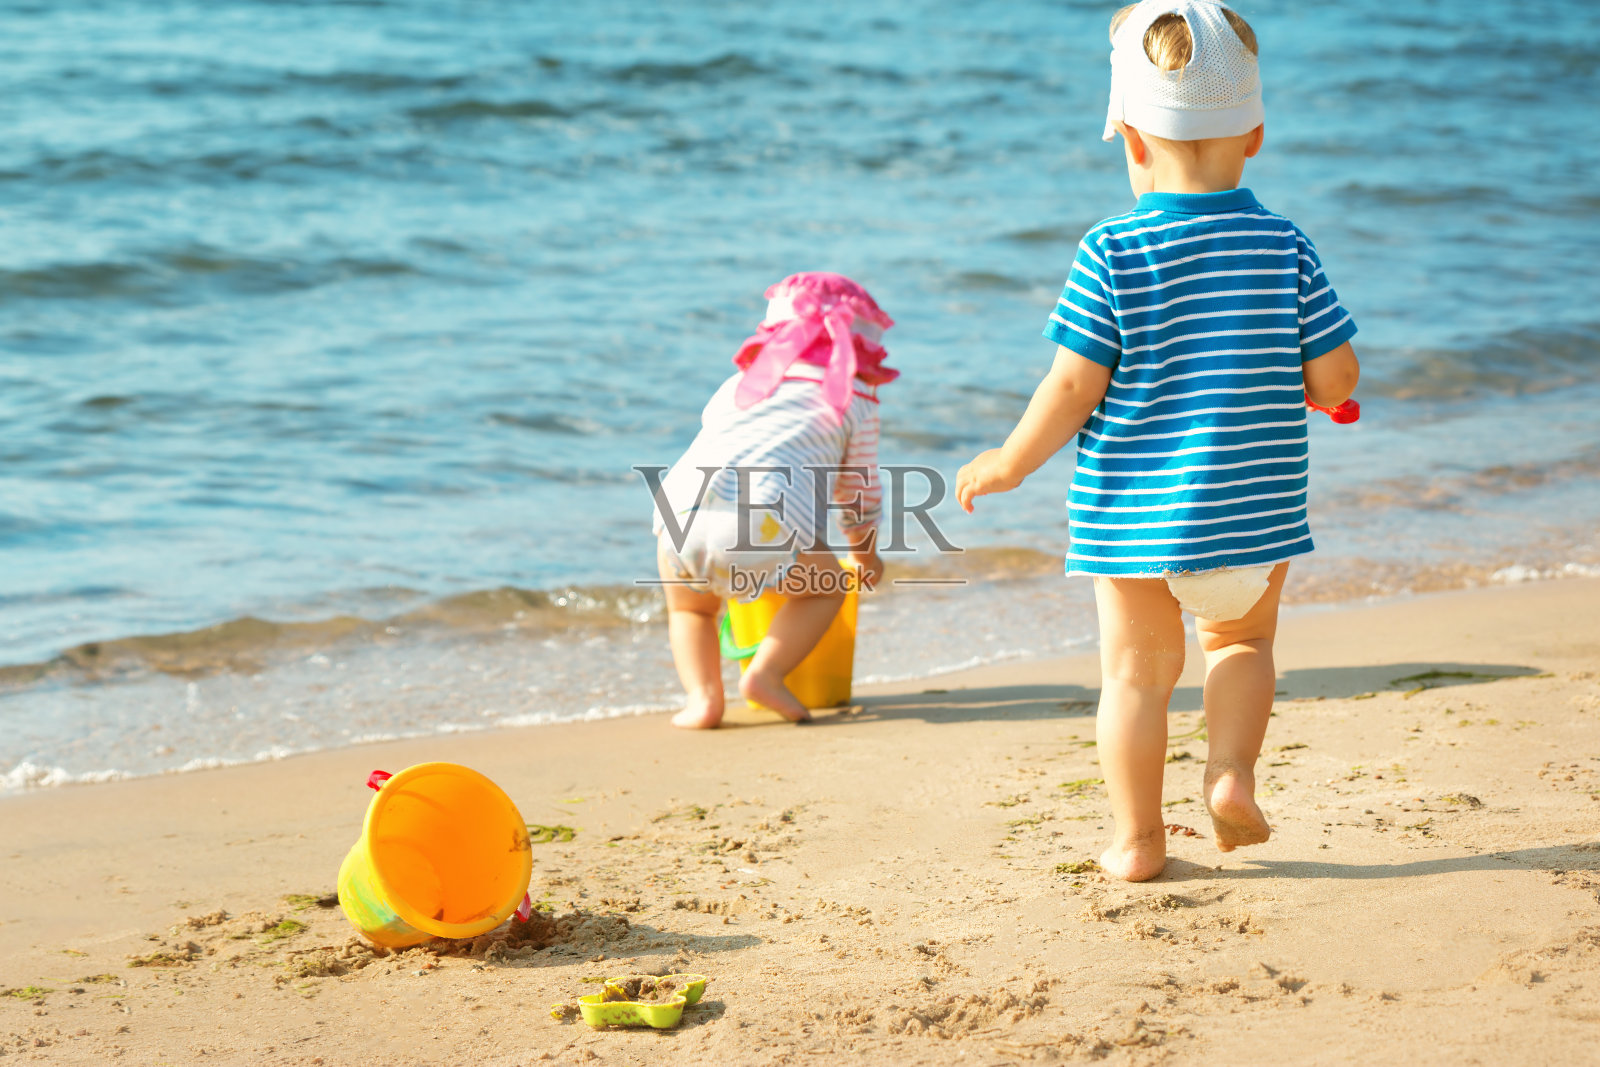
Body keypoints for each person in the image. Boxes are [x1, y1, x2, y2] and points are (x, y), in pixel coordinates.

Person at [955, 0, 1361, 881]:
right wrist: (1310, 389)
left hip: (1135, 523)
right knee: (1242, 647)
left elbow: (1071, 386)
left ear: (1131, 139)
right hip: (1253, 517)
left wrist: (1009, 461)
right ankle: (1230, 777)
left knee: (1136, 678)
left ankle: (1140, 840)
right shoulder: (1286, 244)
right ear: (1253, 133)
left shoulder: (1111, 251)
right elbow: (1336, 379)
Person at [649, 272, 891, 729]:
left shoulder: (738, 384)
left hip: (677, 510)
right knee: (829, 588)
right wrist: (866, 555)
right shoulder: (854, 400)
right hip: (762, 525)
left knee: (690, 610)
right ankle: (765, 674)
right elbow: (858, 494)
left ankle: (703, 701)